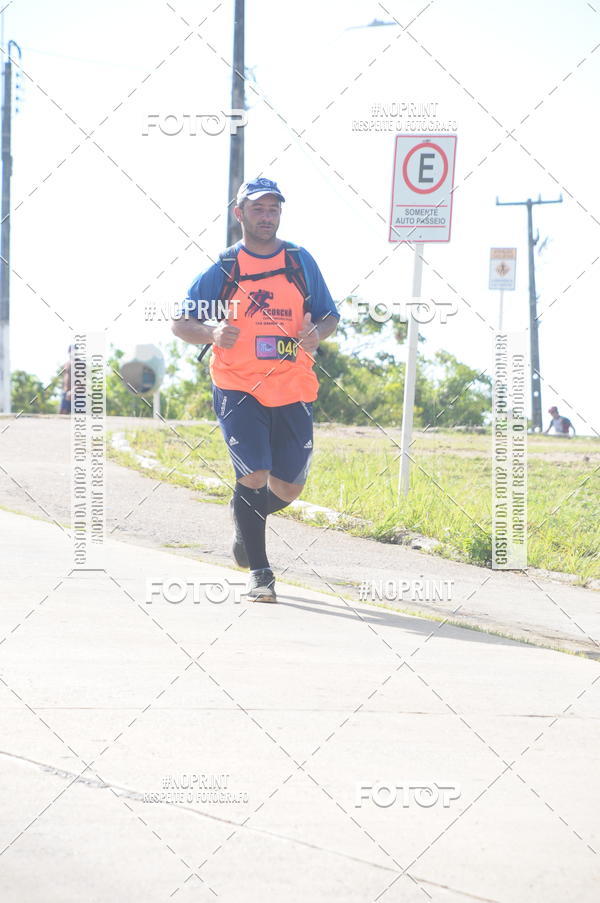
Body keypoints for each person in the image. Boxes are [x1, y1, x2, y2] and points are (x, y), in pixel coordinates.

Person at [172, 177, 339, 603]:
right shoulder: (225, 268)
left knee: (288, 488)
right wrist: (212, 333)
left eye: (273, 209)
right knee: (253, 474)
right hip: (238, 386)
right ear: (240, 213)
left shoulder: (300, 261)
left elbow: (328, 316)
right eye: (259, 209)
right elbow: (180, 323)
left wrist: (315, 334)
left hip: (293, 386)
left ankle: (245, 517)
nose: (267, 216)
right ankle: (261, 574)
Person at [59, 345, 73, 414]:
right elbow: (64, 378)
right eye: (70, 350)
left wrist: (72, 391)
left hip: (75, 393)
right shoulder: (66, 364)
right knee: (62, 414)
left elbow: (82, 381)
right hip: (65, 392)